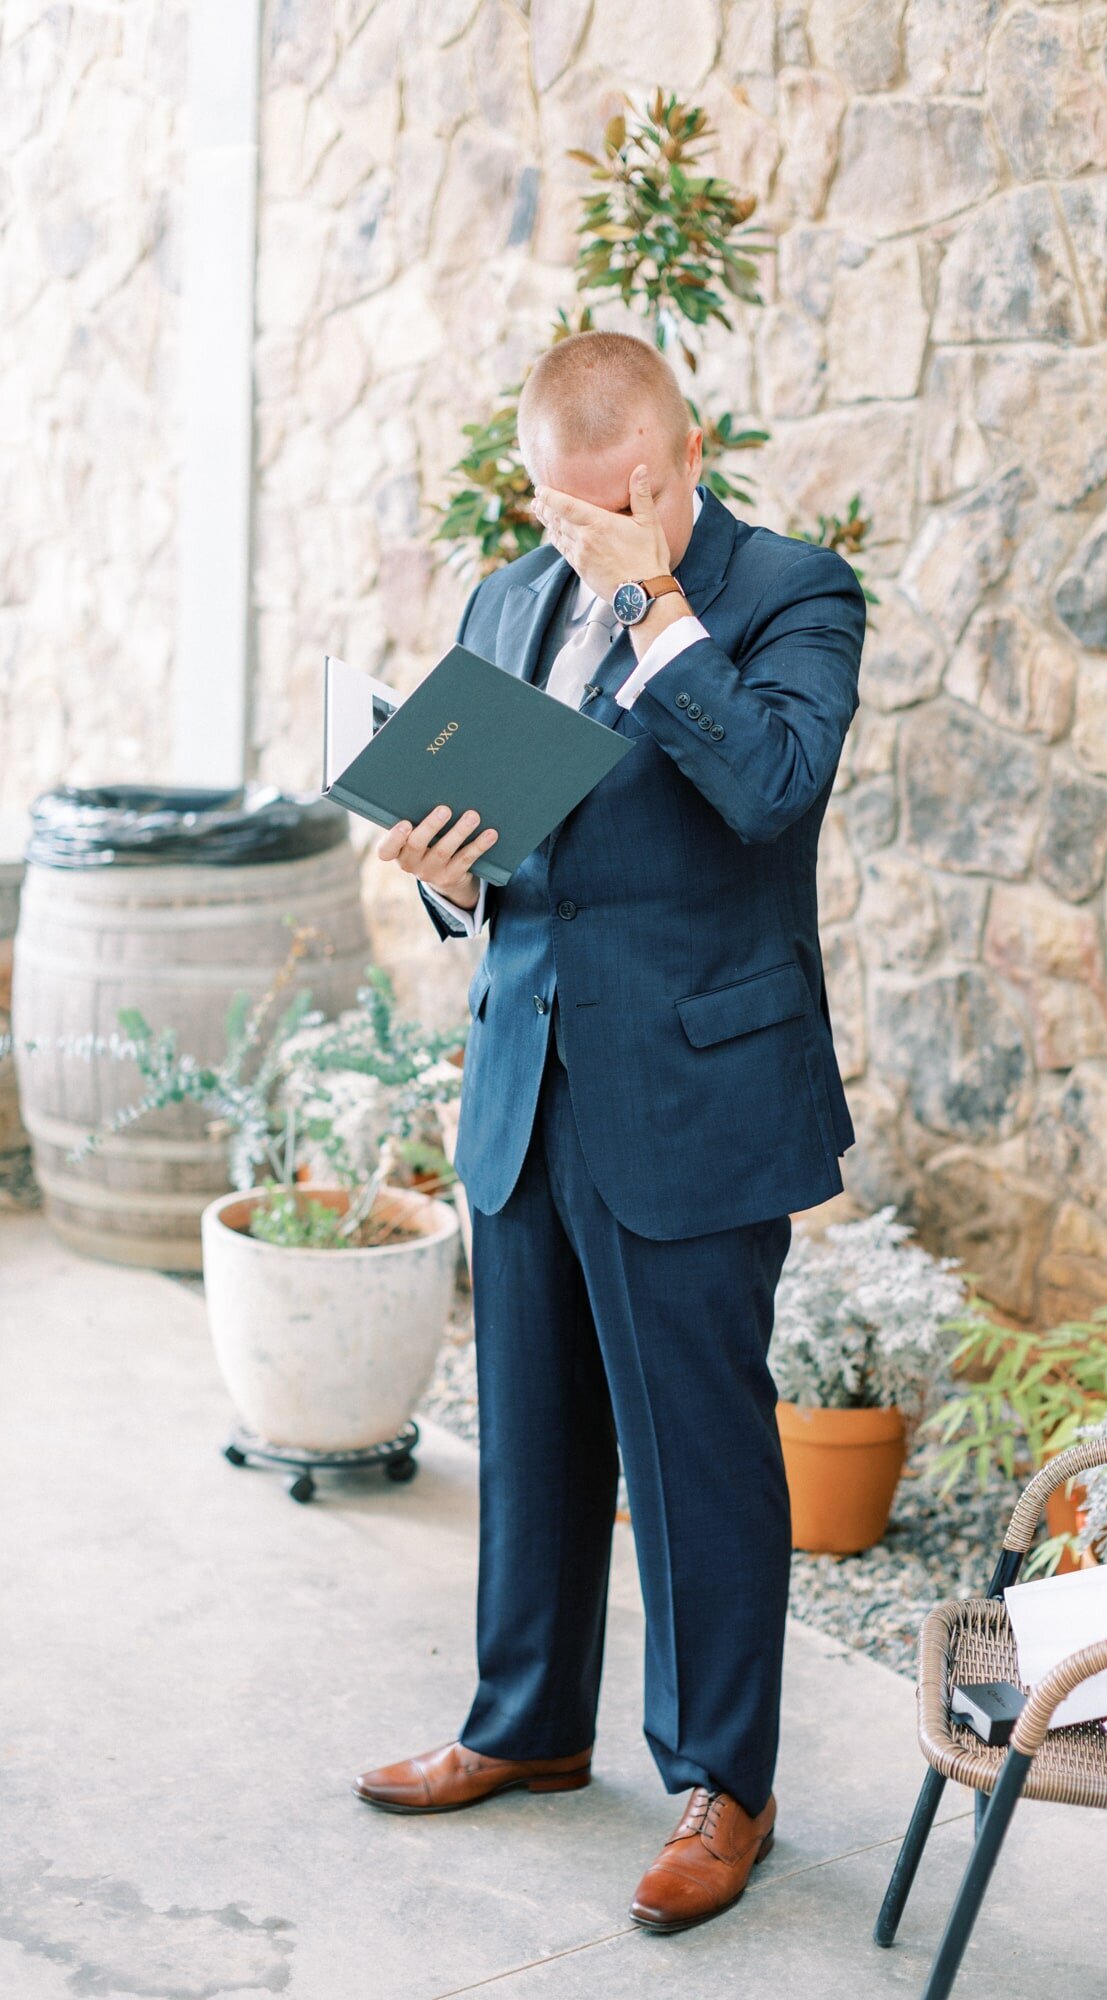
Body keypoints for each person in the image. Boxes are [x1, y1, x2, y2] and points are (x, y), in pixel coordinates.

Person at [355, 329, 866, 1933]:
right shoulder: (507, 598)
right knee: (533, 1432)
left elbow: (773, 784)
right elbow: (499, 855)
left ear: (679, 454)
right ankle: (528, 1727)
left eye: (608, 511)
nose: (573, 542)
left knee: (699, 1456)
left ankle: (722, 1783)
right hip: (527, 1077)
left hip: (697, 1090)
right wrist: (443, 876)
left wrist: (652, 603)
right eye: (556, 513)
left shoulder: (791, 591)